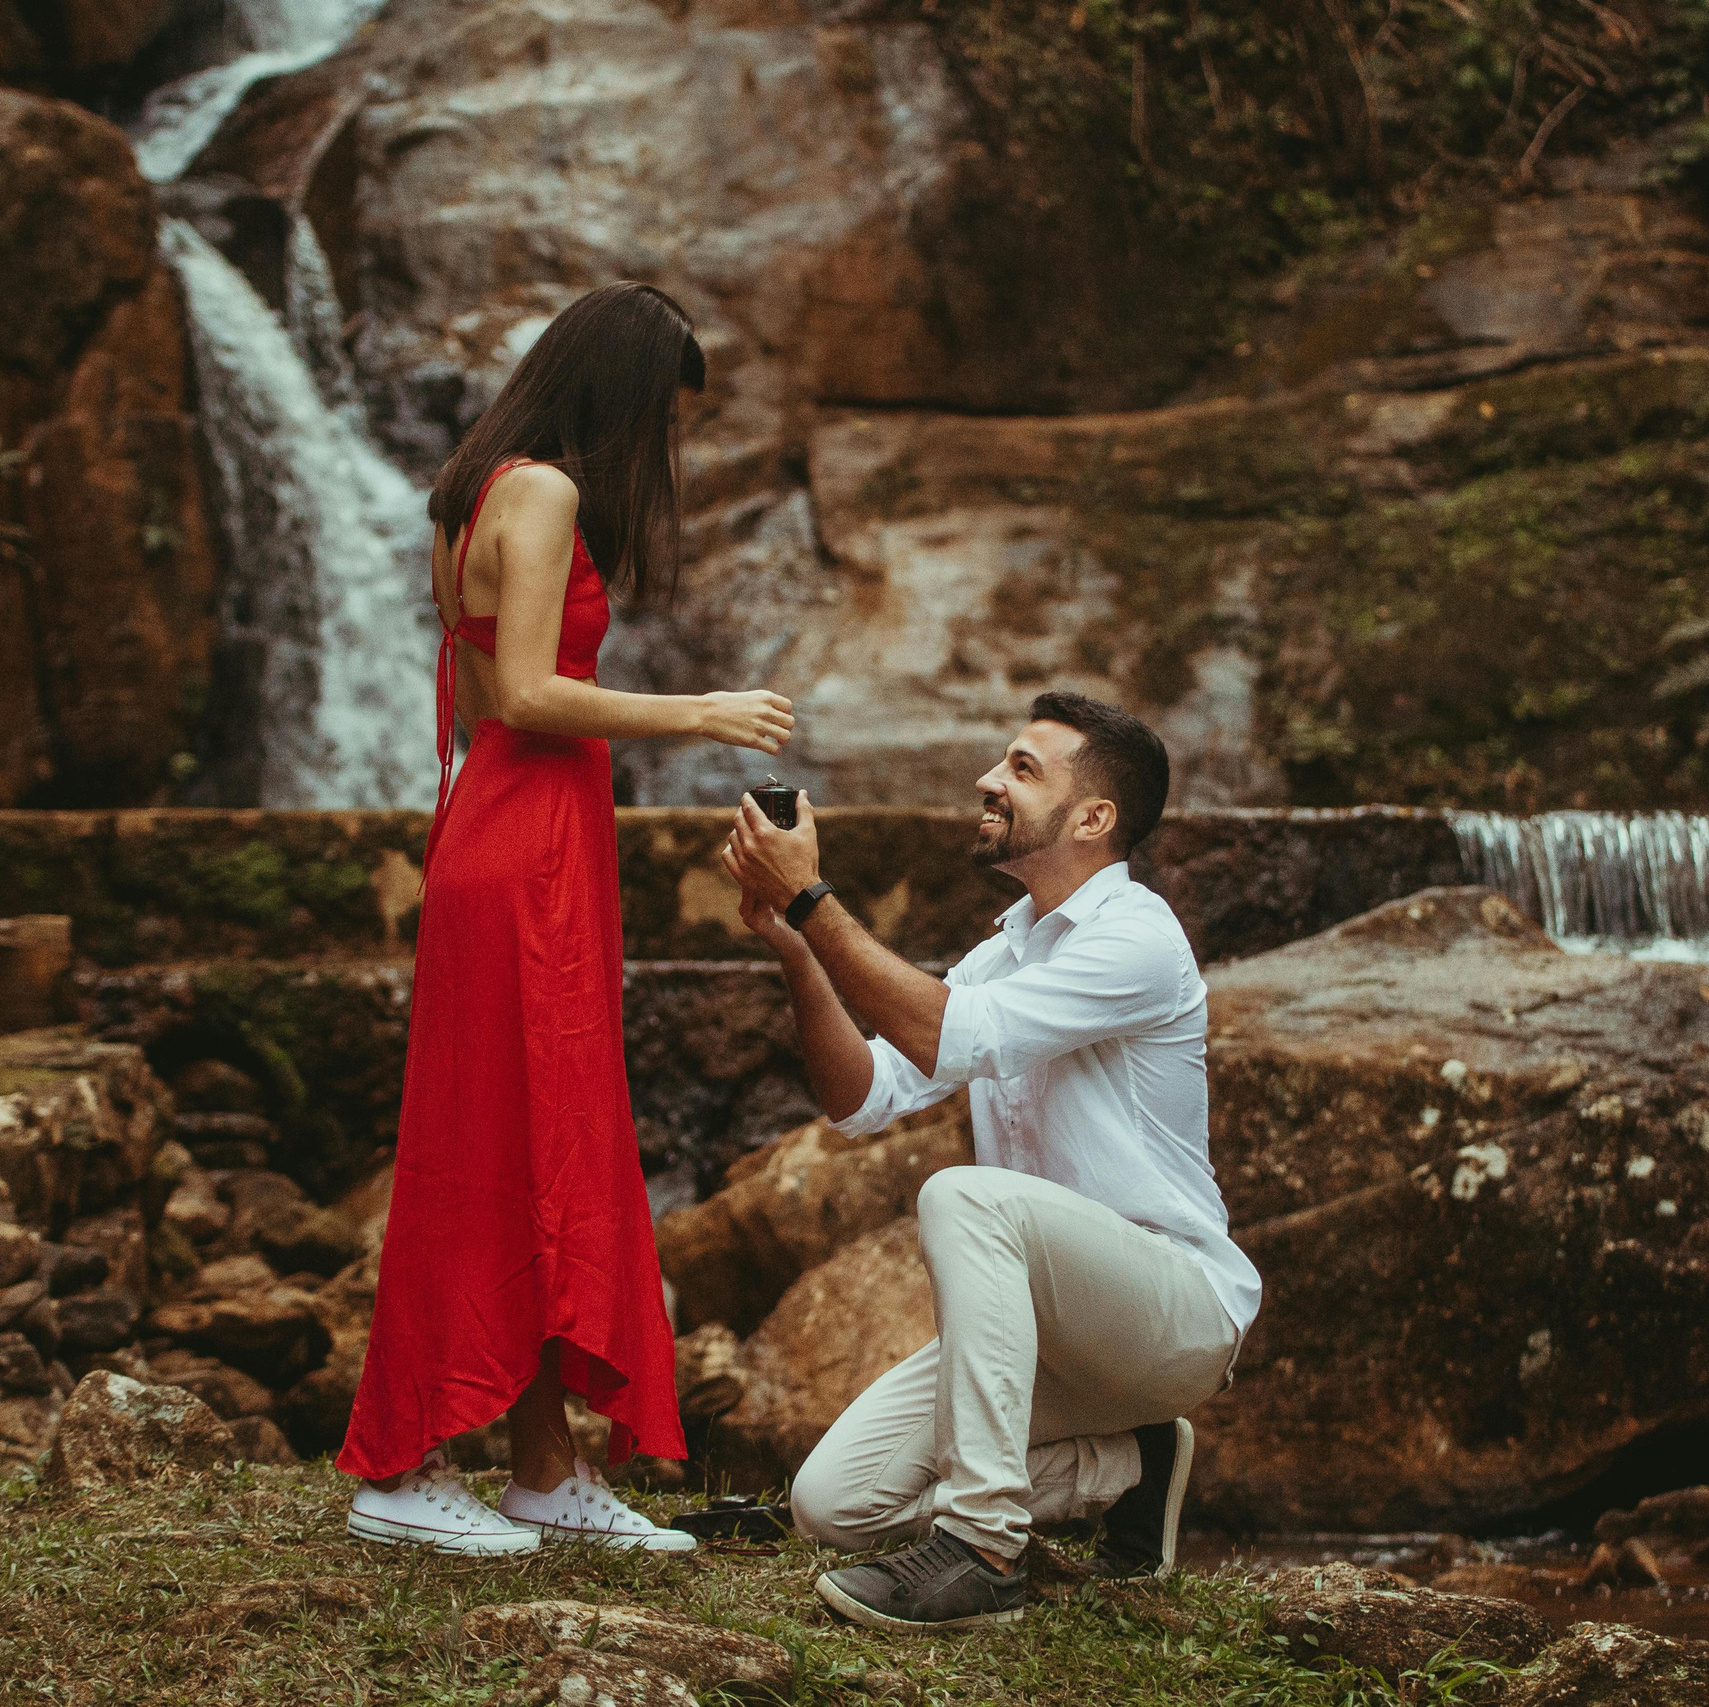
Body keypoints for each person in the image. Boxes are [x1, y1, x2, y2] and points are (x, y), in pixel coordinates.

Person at [338, 283, 795, 1555]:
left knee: (549, 1152)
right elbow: (529, 693)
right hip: (526, 853)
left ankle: (544, 1473)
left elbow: (486, 701)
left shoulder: (469, 493)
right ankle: (398, 1468)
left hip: (521, 840)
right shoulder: (538, 491)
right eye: (663, 419)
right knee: (485, 1153)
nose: (665, 450)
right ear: (619, 396)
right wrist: (698, 713)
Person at [721, 691, 1261, 1632]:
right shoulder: (1003, 953)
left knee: (964, 1196)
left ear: (1093, 819)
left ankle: (981, 1550)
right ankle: (1132, 1465)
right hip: (1051, 1335)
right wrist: (795, 942)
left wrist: (817, 896)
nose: (986, 779)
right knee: (833, 1505)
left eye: (1020, 767)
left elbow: (947, 1032)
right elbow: (862, 1100)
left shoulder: (1136, 935)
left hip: (1173, 1310)